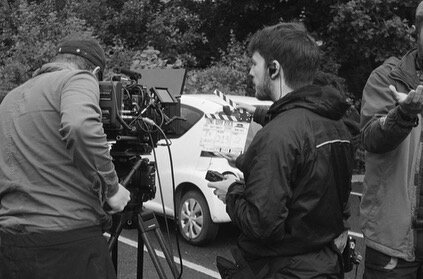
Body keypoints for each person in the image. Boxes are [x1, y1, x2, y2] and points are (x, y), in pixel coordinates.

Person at [208, 22, 355, 278]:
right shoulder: (337, 126)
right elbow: (307, 191)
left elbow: (261, 225)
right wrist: (247, 161)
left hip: (286, 270)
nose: (250, 72)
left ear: (274, 68)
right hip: (326, 266)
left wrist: (232, 190)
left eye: (254, 63)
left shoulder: (278, 135)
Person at [0, 39, 131, 279]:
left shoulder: (12, 96)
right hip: (69, 245)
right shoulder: (78, 79)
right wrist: (111, 189)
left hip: (11, 245)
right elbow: (79, 126)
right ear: (96, 73)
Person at [360, 1, 423, 277]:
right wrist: (403, 114)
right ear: (417, 31)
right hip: (394, 245)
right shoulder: (388, 77)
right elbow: (371, 137)